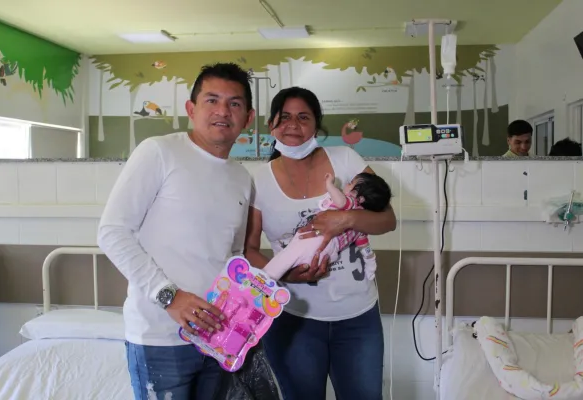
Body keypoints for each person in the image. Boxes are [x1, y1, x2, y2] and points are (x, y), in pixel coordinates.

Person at [97, 62, 255, 400]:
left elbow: (233, 257)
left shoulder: (242, 178)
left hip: (217, 338)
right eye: (211, 100)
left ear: (248, 118)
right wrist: (169, 296)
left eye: (235, 103)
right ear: (191, 108)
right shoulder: (159, 152)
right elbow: (112, 232)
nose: (223, 111)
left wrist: (248, 311)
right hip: (160, 338)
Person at [244, 86, 397, 400]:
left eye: (303, 117)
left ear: (316, 125)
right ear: (270, 123)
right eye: (284, 117)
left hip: (358, 319)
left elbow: (387, 219)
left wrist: (345, 220)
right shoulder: (258, 181)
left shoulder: (345, 160)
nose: (293, 125)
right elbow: (248, 250)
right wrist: (286, 275)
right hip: (293, 318)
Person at [262, 171, 392, 282]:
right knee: (292, 258)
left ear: (360, 198)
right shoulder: (362, 228)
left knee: (287, 257)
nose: (347, 184)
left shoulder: (352, 203)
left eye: (351, 183)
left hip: (320, 241)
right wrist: (370, 268)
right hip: (329, 253)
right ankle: (269, 277)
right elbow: (366, 251)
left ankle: (264, 279)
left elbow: (341, 202)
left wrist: (329, 184)